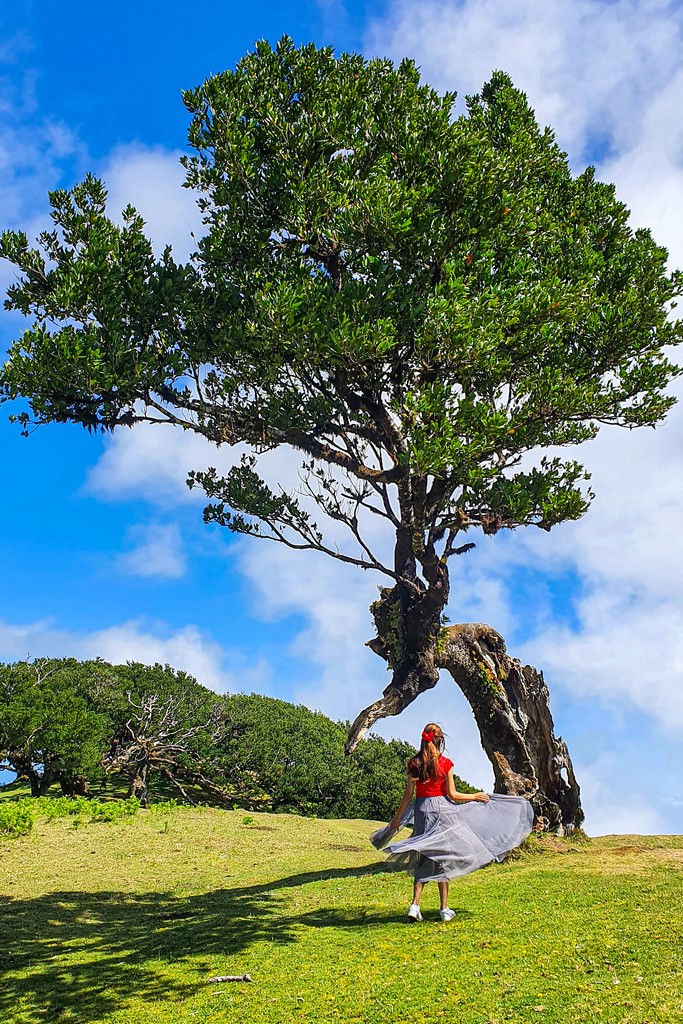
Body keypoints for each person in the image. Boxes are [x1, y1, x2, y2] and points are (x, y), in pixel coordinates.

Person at [371, 722, 534, 922]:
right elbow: (453, 794)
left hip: (421, 810)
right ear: (440, 740)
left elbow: (407, 796)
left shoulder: (414, 763)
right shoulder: (445, 763)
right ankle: (444, 909)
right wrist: (475, 796)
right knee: (443, 856)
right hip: (442, 810)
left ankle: (415, 906)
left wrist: (396, 820)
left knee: (424, 853)